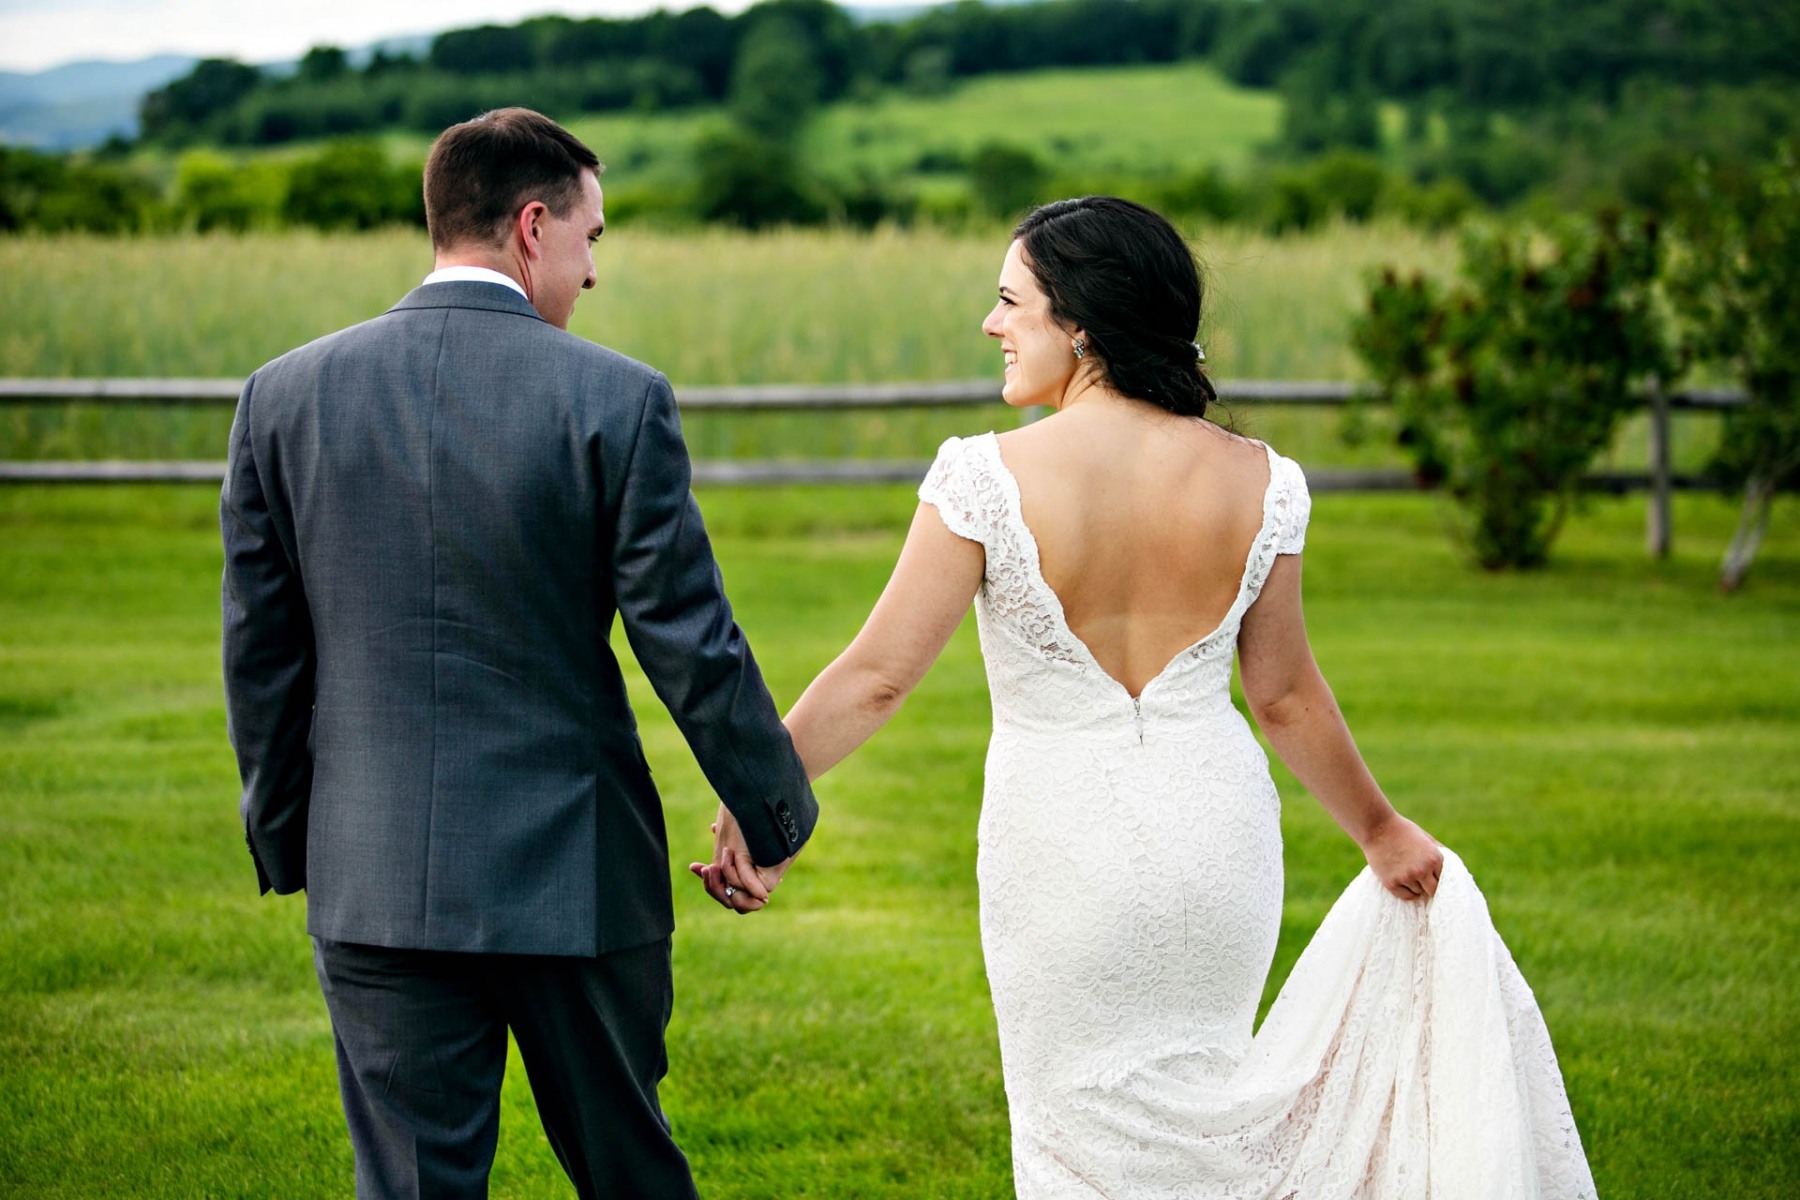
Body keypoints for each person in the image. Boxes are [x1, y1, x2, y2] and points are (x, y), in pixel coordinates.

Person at [695, 196, 1595, 1197]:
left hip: (1062, 850)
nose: (992, 325)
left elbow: (878, 677)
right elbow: (1285, 695)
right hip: (1216, 840)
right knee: (1212, 1120)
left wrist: (759, 796)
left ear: (1078, 323)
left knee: (1075, 1138)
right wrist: (1380, 830)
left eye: (1010, 303)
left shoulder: (985, 478)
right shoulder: (1260, 478)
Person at [221, 107, 815, 1199]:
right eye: (592, 237)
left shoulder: (281, 396)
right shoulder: (616, 398)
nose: (592, 274)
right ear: (533, 227)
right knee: (629, 1173)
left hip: (378, 877)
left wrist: (295, 837)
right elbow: (687, 641)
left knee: (410, 1187)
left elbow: (263, 655)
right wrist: (775, 810)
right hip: (575, 878)